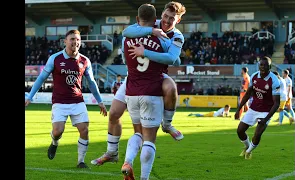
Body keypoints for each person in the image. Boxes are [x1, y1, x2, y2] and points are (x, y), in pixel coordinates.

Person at [91, 1, 186, 166]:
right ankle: (112, 153)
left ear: (177, 20)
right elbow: (127, 31)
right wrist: (152, 30)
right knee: (113, 114)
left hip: (156, 75)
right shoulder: (152, 23)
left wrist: (146, 52)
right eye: (165, 16)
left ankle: (167, 124)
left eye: (172, 18)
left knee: (171, 87)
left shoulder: (177, 36)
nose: (167, 20)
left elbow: (172, 59)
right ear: (160, 15)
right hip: (134, 76)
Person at [25, 30, 108, 168]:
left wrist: (100, 101)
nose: (75, 42)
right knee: (58, 131)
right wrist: (30, 96)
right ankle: (54, 143)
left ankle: (80, 161)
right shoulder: (55, 58)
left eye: (78, 40)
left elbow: (92, 83)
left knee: (84, 130)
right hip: (59, 101)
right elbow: (41, 78)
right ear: (65, 41)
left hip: (77, 101)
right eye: (72, 39)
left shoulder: (84, 60)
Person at [121, 4, 177, 179]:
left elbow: (126, 32)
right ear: (156, 21)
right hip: (151, 93)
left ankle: (128, 160)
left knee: (137, 133)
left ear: (137, 20)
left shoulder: (127, 39)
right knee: (149, 139)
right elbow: (173, 58)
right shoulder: (163, 40)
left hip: (131, 93)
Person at [234, 56, 280, 159]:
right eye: (261, 65)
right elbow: (247, 95)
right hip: (253, 108)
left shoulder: (274, 80)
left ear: (270, 67)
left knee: (257, 134)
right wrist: (239, 109)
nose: (262, 67)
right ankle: (246, 147)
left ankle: (249, 151)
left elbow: (276, 103)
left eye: (265, 65)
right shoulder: (254, 76)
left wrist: (266, 119)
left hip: (266, 111)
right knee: (240, 130)